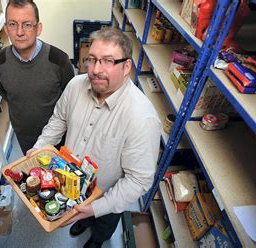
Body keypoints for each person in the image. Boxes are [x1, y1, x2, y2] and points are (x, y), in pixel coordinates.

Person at [27, 27, 161, 248]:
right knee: (81, 215)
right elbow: (59, 120)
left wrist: (96, 208)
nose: (96, 70)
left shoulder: (142, 118)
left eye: (108, 61)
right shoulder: (75, 85)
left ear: (126, 66)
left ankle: (97, 239)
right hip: (69, 182)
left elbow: (139, 180)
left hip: (106, 196)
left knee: (104, 224)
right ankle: (84, 220)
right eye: (92, 59)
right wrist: (40, 147)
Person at [0, 0, 74, 154]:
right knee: (33, 174)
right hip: (25, 136)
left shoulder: (59, 60)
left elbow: (69, 98)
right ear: (6, 28)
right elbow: (5, 92)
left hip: (58, 136)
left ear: (38, 28)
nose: (19, 32)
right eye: (13, 24)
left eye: (27, 24)